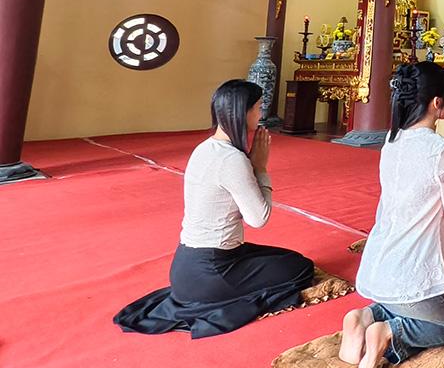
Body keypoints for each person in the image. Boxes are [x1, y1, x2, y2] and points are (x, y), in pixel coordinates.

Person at [114, 80, 313, 338]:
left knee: (288, 259)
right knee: (300, 269)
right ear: (243, 113)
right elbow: (258, 218)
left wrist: (251, 166)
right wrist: (261, 168)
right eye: (259, 107)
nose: (262, 114)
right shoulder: (232, 159)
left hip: (187, 265)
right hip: (212, 270)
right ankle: (221, 302)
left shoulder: (205, 148)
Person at [339, 61, 444, 368]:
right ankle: (389, 334)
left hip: (377, 268)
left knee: (423, 306)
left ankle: (364, 316)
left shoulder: (391, 142)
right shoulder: (442, 150)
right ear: (438, 104)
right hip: (412, 274)